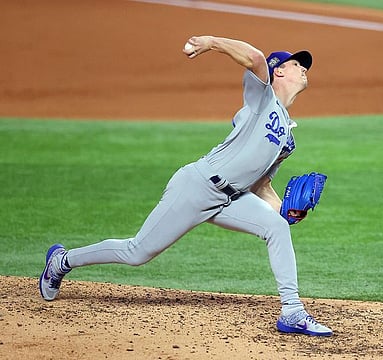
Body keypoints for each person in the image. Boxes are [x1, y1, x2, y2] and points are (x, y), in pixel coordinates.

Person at [39, 35, 333, 337]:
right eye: (297, 64)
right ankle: (62, 261)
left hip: (231, 199)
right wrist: (211, 41)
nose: (304, 69)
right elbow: (257, 58)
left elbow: (261, 184)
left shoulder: (287, 137)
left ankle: (292, 312)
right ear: (279, 71)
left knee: (277, 228)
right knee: (137, 252)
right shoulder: (263, 100)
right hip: (198, 185)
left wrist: (286, 211)